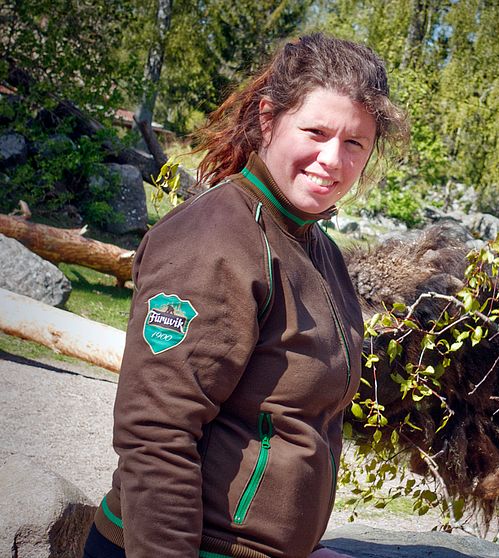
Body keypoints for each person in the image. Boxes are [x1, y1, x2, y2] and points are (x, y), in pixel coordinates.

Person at [84, 33, 408, 558]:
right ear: (268, 119)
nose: (333, 159)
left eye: (355, 143)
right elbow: (155, 435)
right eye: (316, 131)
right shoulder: (213, 241)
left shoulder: (313, 244)